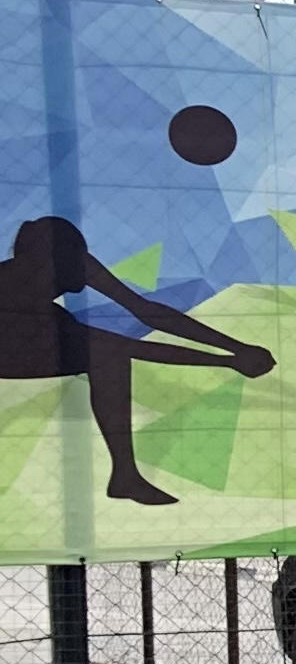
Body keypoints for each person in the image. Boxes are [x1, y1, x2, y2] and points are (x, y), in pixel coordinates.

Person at [0, 214, 276, 507]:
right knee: (109, 352)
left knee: (108, 353)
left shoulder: (72, 263)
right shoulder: (16, 284)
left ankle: (125, 475)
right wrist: (228, 360)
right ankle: (126, 476)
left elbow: (145, 310)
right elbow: (128, 348)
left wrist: (236, 348)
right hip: (10, 340)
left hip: (39, 330)